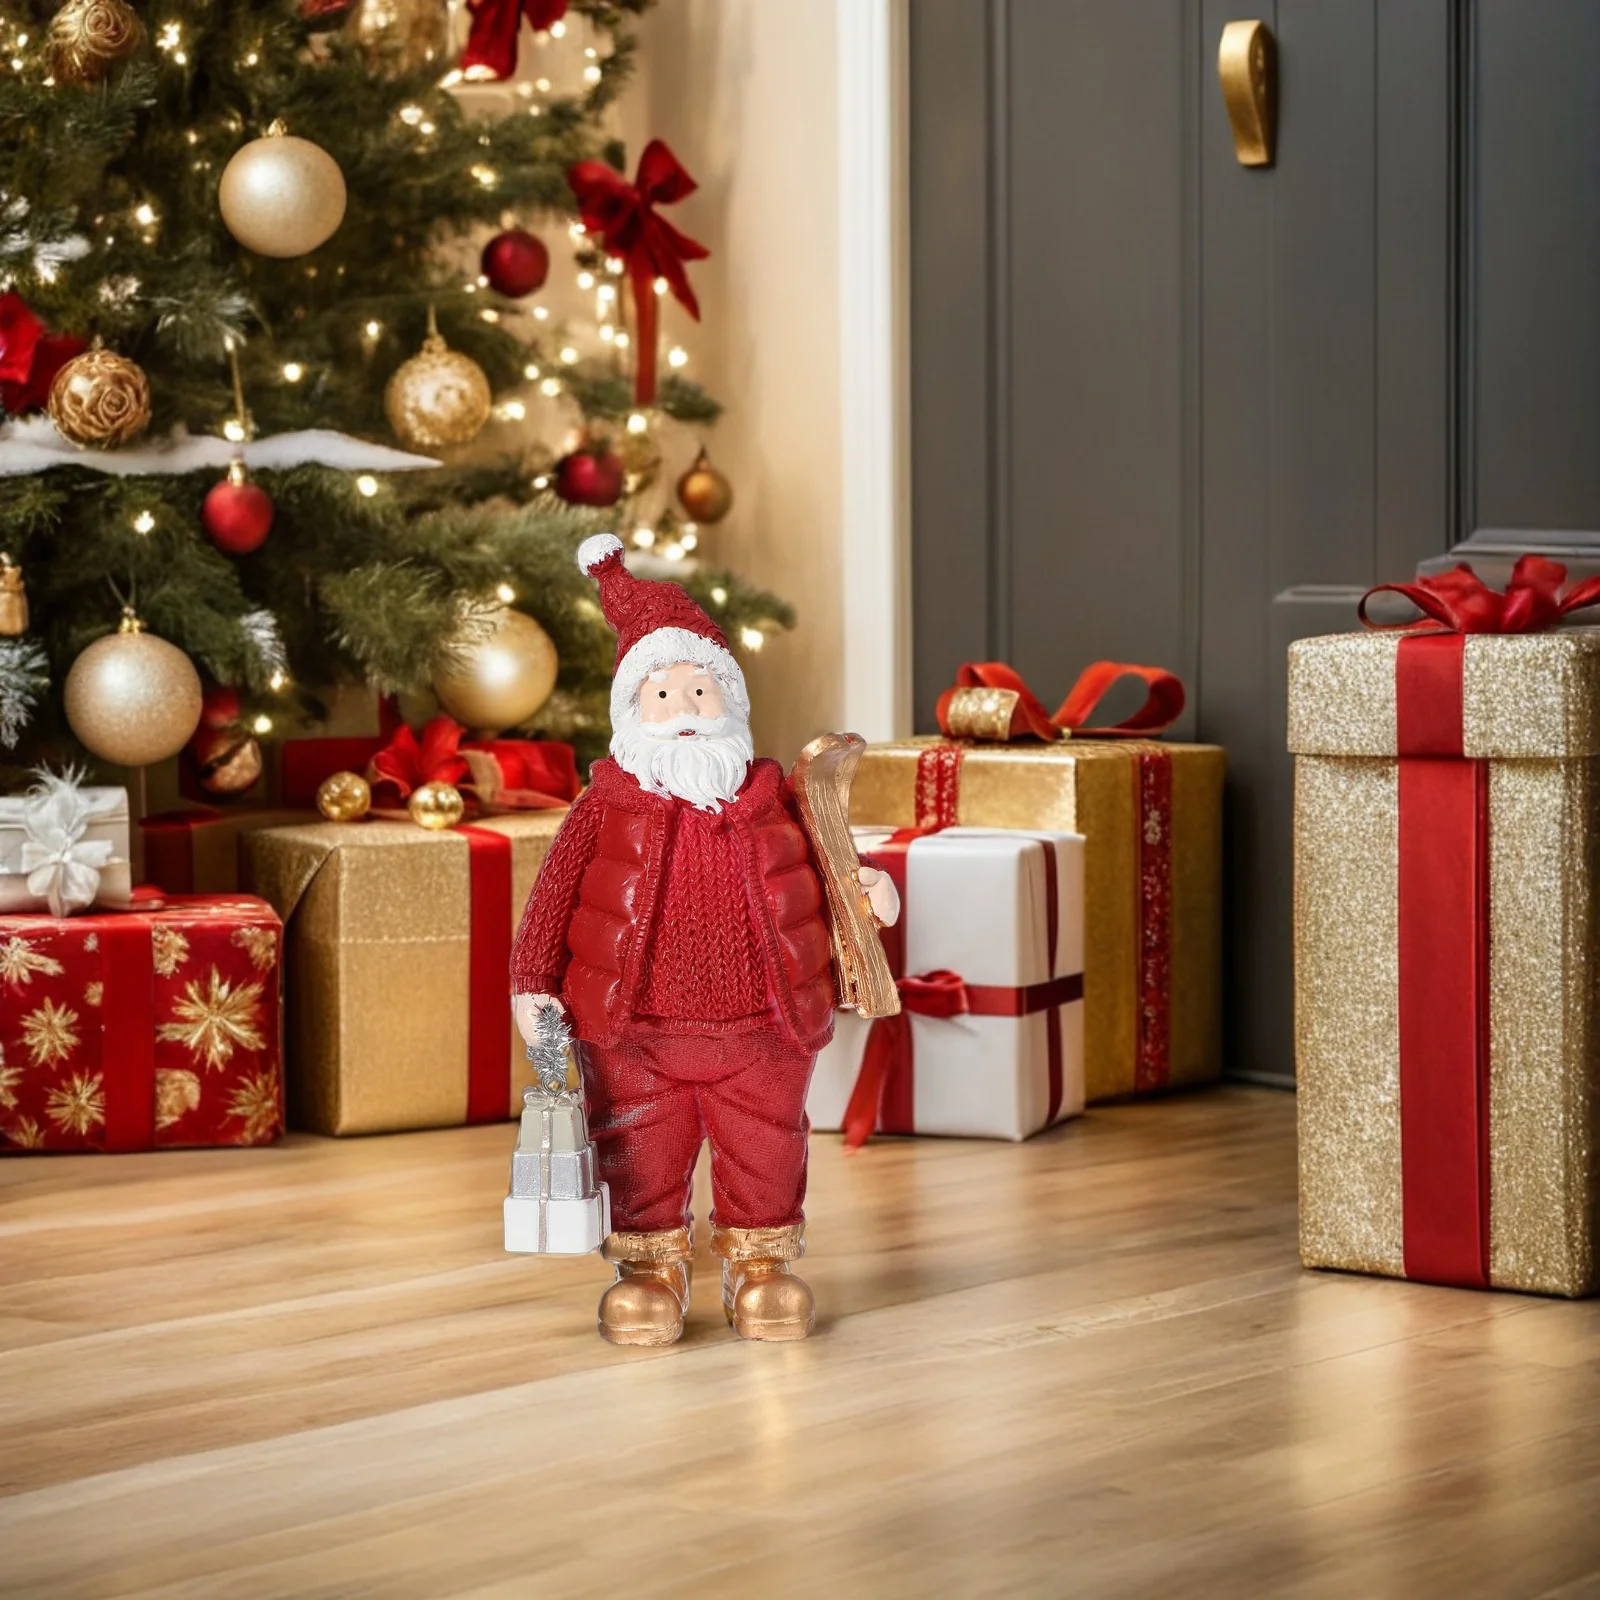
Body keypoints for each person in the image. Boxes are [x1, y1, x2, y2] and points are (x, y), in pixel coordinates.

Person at [511, 533, 898, 1346]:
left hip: (765, 1031)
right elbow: (548, 911)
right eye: (662, 695)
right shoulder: (606, 806)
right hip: (634, 1034)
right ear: (631, 714)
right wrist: (534, 995)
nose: (685, 708)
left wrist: (869, 890)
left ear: (731, 702)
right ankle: (651, 1265)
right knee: (640, 1150)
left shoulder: (773, 796)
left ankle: (761, 1260)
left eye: (701, 689)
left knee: (766, 1146)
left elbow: (833, 872)